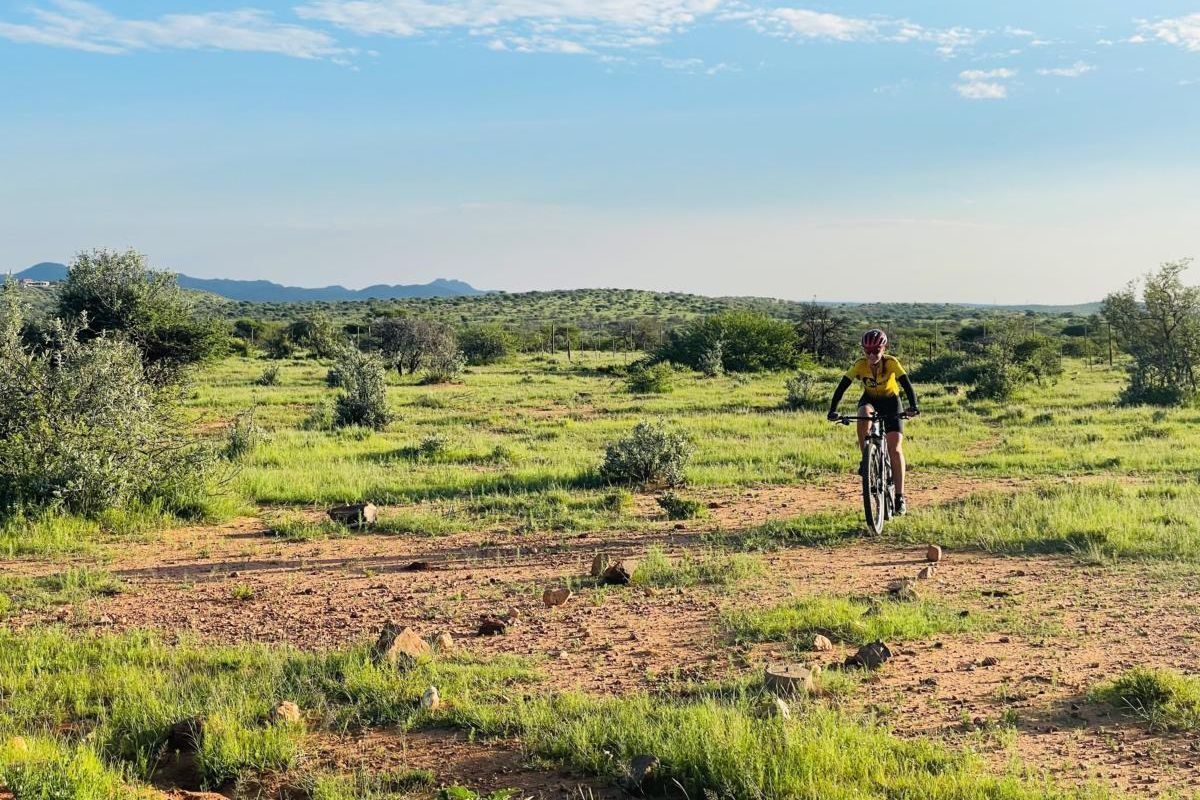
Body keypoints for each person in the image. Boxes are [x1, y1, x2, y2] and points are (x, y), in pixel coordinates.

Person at [826, 329, 919, 515]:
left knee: (895, 448)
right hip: (870, 400)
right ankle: (866, 458)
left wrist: (913, 406)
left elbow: (906, 384)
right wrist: (833, 410)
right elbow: (842, 386)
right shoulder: (860, 365)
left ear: (884, 348)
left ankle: (899, 496)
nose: (871, 355)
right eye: (867, 351)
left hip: (892, 402)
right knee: (863, 415)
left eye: (876, 350)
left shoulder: (891, 363)